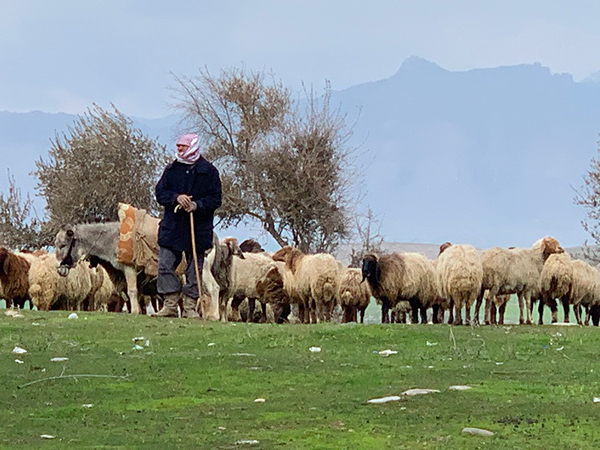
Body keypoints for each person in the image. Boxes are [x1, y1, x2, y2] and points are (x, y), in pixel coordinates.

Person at [152, 133, 222, 318]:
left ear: (193, 147)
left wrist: (197, 205)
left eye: (183, 146)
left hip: (197, 229)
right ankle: (170, 305)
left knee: (194, 270)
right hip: (172, 227)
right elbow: (160, 193)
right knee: (165, 265)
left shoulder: (209, 172)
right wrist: (176, 198)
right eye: (179, 146)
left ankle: (190, 307)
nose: (179, 149)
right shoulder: (172, 169)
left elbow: (216, 199)